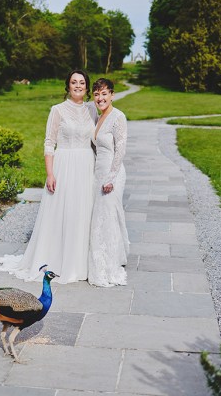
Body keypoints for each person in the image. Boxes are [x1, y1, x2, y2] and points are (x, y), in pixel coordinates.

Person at [0, 70, 98, 283]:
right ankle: (58, 260)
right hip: (64, 165)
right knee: (63, 212)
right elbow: (49, 143)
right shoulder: (57, 110)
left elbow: (97, 141)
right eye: (73, 82)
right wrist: (50, 173)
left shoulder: (92, 110)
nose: (78, 86)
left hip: (86, 166)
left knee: (82, 212)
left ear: (87, 87)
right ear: (67, 86)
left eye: (81, 82)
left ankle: (79, 263)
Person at [88, 78, 130, 287]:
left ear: (112, 95)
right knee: (102, 216)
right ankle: (111, 255)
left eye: (104, 94)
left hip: (112, 174)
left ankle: (109, 263)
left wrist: (111, 178)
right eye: (96, 94)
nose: (100, 98)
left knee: (108, 216)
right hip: (98, 173)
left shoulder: (118, 117)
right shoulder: (98, 117)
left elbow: (120, 148)